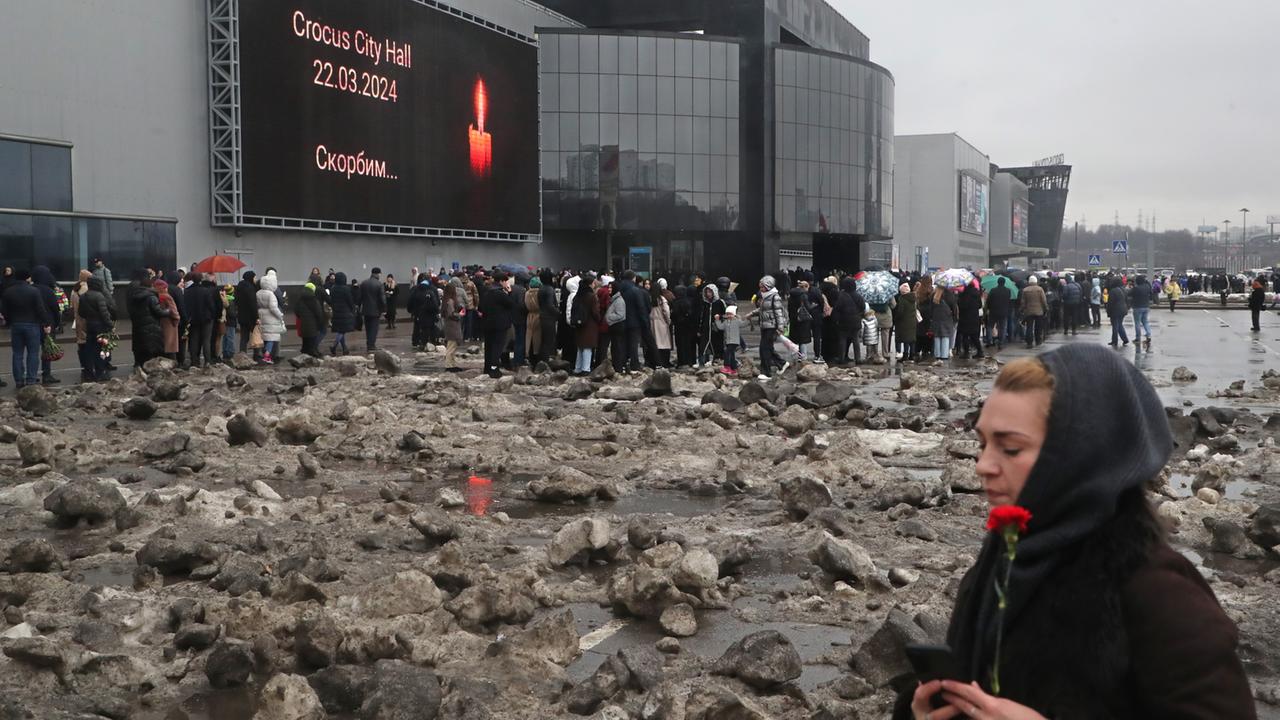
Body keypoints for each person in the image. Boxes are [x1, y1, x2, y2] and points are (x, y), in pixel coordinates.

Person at [902, 347, 1256, 720]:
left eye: (1010, 448)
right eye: (983, 443)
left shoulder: (1157, 590)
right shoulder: (1005, 559)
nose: (983, 466)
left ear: (1080, 455)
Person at [1, 269, 51, 388]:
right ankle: (31, 380)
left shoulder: (8, 292)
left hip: (16, 325)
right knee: (33, 353)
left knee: (17, 354)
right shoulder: (34, 291)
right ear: (27, 278)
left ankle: (19, 380)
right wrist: (46, 323)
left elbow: (4, 311)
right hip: (32, 325)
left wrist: (9, 321)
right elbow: (40, 309)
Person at [76, 276, 116, 381]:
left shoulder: (83, 296)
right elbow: (105, 314)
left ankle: (89, 372)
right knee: (101, 350)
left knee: (89, 349)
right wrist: (111, 325)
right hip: (100, 327)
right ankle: (100, 372)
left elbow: (81, 313)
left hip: (90, 325)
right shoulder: (99, 296)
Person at [479, 271, 516, 378]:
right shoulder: (500, 293)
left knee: (489, 346)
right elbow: (511, 304)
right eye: (506, 281)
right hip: (500, 324)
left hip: (487, 323)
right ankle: (494, 369)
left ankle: (487, 368)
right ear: (501, 281)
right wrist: (509, 292)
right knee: (497, 346)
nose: (507, 284)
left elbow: (481, 307)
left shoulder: (486, 291)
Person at [128, 271, 168, 367]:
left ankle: (140, 368)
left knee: (143, 351)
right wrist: (168, 311)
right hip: (152, 327)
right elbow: (158, 312)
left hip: (140, 325)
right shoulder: (151, 297)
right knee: (152, 353)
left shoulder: (135, 295)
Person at [185, 272, 219, 368]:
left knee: (194, 339)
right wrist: (213, 315)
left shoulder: (187, 291)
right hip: (206, 319)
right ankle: (207, 361)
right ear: (200, 280)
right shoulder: (205, 291)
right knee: (206, 340)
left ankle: (194, 361)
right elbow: (211, 305)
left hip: (193, 319)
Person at [571, 273, 601, 375]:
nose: (594, 285)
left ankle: (577, 368)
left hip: (579, 325)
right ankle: (586, 369)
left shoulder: (577, 296)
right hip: (589, 325)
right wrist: (599, 320)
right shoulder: (591, 296)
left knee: (580, 348)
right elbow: (595, 312)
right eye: (593, 283)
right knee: (587, 348)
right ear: (590, 284)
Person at [256, 271, 285, 364]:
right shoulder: (271, 294)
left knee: (265, 336)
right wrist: (280, 315)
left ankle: (265, 353)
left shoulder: (258, 293)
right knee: (271, 338)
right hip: (271, 317)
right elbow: (273, 308)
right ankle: (267, 356)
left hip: (262, 315)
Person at [69, 270, 93, 381]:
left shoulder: (74, 289)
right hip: (87, 320)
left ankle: (83, 367)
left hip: (77, 320)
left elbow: (72, 306)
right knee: (89, 344)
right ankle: (89, 369)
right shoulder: (87, 288)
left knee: (81, 344)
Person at [834, 277, 863, 365]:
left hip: (844, 321)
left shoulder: (841, 295)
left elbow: (837, 308)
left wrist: (836, 319)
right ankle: (858, 359)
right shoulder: (858, 295)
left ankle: (841, 358)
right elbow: (863, 307)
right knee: (855, 339)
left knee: (843, 339)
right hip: (856, 320)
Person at [407, 274, 439, 351]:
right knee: (430, 327)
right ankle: (430, 342)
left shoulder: (415, 289)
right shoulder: (433, 289)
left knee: (417, 327)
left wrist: (411, 310)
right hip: (430, 313)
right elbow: (436, 302)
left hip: (418, 313)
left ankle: (416, 342)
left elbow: (410, 301)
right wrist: (436, 311)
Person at [327, 272, 355, 355]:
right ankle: (334, 346)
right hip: (345, 312)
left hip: (336, 311)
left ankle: (344, 348)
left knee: (340, 330)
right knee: (341, 331)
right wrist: (352, 309)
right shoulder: (346, 289)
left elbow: (331, 299)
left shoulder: (333, 288)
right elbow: (350, 300)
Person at [295, 282, 325, 358]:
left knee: (305, 342)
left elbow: (296, 311)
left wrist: (301, 317)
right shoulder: (314, 300)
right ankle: (312, 356)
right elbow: (318, 313)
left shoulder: (300, 300)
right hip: (312, 325)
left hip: (303, 324)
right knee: (312, 341)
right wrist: (320, 322)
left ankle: (303, 357)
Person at [360, 268, 386, 352]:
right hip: (376, 310)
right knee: (374, 328)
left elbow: (359, 297)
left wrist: (358, 307)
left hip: (366, 309)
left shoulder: (364, 283)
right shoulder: (379, 284)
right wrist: (384, 309)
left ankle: (369, 344)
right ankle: (371, 346)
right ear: (378, 274)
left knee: (368, 328)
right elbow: (382, 299)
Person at [442, 278, 465, 372]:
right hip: (453, 326)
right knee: (451, 347)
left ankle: (452, 364)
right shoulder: (450, 301)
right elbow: (451, 314)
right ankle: (449, 365)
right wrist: (460, 314)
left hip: (450, 326)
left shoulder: (446, 300)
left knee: (451, 346)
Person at [787, 283, 814, 362]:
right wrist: (813, 305)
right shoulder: (803, 296)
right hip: (802, 321)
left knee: (794, 339)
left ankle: (794, 356)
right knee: (802, 340)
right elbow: (808, 307)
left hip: (793, 319)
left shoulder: (790, 296)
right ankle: (803, 356)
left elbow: (789, 308)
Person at [956, 283, 984, 359]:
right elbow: (980, 305)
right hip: (974, 317)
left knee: (965, 335)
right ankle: (980, 351)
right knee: (974, 336)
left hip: (965, 317)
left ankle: (966, 352)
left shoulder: (964, 294)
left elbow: (963, 305)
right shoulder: (976, 293)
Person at [650, 279, 673, 368]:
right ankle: (664, 362)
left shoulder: (649, 298)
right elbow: (666, 311)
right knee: (664, 344)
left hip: (652, 323)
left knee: (655, 343)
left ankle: (655, 362)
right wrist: (668, 321)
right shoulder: (661, 299)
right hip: (662, 323)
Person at [892, 283, 917, 362]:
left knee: (906, 339)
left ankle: (905, 355)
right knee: (911, 339)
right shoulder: (913, 298)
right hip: (912, 321)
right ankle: (912, 355)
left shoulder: (902, 299)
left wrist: (896, 319)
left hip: (904, 322)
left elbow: (900, 312)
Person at [1019, 276, 1047, 348]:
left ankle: (1029, 343)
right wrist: (1046, 308)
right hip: (1039, 311)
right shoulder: (1040, 289)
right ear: (1036, 281)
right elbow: (1043, 300)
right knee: (1038, 327)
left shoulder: (1025, 290)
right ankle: (1038, 341)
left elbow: (1023, 302)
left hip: (1028, 311)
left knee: (1029, 327)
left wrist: (1021, 309)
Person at [715, 304, 742, 376]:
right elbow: (720, 327)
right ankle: (734, 368)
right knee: (732, 355)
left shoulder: (737, 321)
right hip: (728, 341)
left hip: (734, 341)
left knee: (727, 353)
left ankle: (727, 367)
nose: (729, 316)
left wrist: (749, 320)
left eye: (731, 314)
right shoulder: (726, 322)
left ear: (734, 314)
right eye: (727, 314)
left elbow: (744, 324)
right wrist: (717, 320)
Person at [931, 286, 958, 361]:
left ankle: (937, 355)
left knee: (937, 336)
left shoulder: (934, 295)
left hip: (936, 318)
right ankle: (944, 355)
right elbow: (954, 308)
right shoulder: (950, 295)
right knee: (945, 336)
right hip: (947, 318)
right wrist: (955, 317)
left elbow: (931, 307)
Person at [235, 271, 259, 355]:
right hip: (250, 317)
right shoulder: (251, 288)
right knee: (255, 335)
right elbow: (253, 304)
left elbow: (236, 301)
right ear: (251, 277)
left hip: (242, 316)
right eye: (255, 277)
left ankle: (242, 355)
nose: (255, 279)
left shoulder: (239, 286)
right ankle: (257, 355)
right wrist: (257, 317)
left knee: (244, 337)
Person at [986, 277, 1012, 350]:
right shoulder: (1008, 291)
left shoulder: (993, 290)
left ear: (997, 282)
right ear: (1004, 283)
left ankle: (989, 340)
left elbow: (988, 301)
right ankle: (1001, 343)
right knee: (1002, 328)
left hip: (993, 311)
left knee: (990, 326)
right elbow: (1008, 301)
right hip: (1004, 312)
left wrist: (989, 308)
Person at [1128, 275, 1153, 347]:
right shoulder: (1147, 287)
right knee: (1145, 321)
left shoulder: (1136, 288)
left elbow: (1128, 293)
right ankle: (1148, 335)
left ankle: (1137, 338)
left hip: (1137, 307)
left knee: (1137, 323)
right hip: (1146, 306)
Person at [1106, 278, 1130, 347]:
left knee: (1115, 326)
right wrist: (1127, 308)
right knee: (1119, 324)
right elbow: (1127, 300)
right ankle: (1125, 339)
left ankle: (1114, 341)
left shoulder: (1113, 291)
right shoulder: (1124, 290)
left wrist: (1108, 312)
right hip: (1123, 310)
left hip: (1115, 310)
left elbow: (1110, 303)